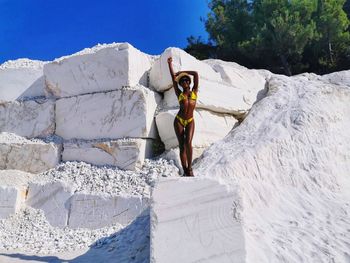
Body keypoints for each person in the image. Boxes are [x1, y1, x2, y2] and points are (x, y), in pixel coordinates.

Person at [167, 57, 199, 177]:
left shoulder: (195, 92)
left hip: (190, 121)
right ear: (180, 84)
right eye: (182, 81)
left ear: (189, 83)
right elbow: (173, 78)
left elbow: (195, 74)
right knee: (181, 146)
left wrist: (182, 73)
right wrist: (169, 64)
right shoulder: (179, 93)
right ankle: (184, 169)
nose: (185, 82)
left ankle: (190, 169)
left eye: (186, 80)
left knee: (188, 143)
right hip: (179, 121)